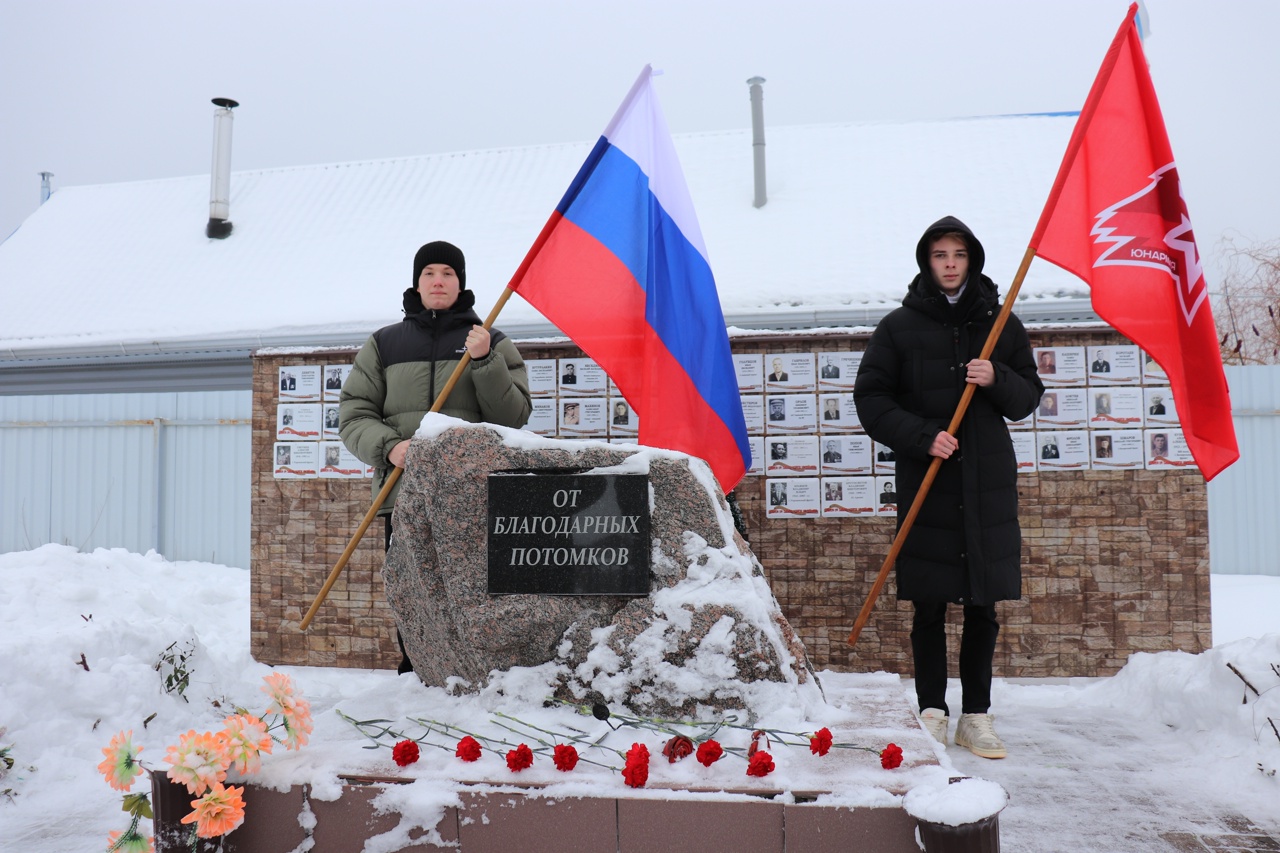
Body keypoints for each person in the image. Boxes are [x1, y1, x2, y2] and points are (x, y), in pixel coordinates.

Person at [854, 216, 1043, 760]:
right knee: (929, 605)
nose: (950, 263)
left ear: (973, 259)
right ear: (926, 261)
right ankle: (933, 713)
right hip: (929, 482)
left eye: (958, 253)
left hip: (986, 487)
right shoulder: (898, 327)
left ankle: (976, 717)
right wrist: (921, 436)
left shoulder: (1002, 323)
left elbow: (1028, 396)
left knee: (984, 606)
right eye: (940, 254)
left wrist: (996, 378)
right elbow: (871, 399)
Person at [340, 240, 532, 674]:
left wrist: (484, 361)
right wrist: (390, 447)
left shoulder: (490, 340)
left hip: (474, 499)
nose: (438, 280)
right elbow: (354, 414)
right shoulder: (384, 344)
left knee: (475, 598)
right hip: (403, 494)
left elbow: (513, 416)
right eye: (429, 273)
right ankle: (415, 676)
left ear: (460, 283)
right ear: (417, 282)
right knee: (414, 597)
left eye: (447, 272)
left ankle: (478, 680)